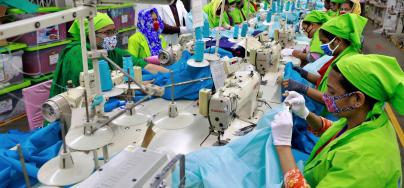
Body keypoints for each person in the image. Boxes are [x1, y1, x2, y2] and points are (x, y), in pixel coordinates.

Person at [271, 54, 403, 187]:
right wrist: (305, 113)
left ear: (357, 99)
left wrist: (283, 146)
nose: (325, 95)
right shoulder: (369, 119)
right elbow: (336, 131)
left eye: (332, 92)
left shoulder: (364, 161)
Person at [50, 13, 168, 97]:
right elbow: (95, 85)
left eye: (113, 31)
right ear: (89, 34)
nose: (113, 36)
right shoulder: (77, 54)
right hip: (80, 106)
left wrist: (172, 74)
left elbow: (142, 64)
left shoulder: (109, 51)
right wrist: (138, 85)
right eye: (107, 32)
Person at [283, 14, 367, 105]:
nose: (322, 46)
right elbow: (324, 82)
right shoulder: (340, 56)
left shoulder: (345, 64)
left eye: (324, 42)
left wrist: (302, 88)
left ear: (337, 41)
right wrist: (304, 73)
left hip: (331, 114)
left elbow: (333, 100)